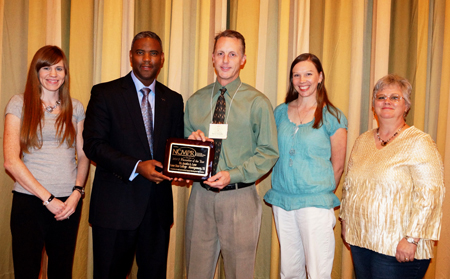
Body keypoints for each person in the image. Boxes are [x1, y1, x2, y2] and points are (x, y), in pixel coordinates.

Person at [83, 31, 184, 278]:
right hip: (115, 209)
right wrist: (137, 166)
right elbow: (93, 145)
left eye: (153, 53)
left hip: (156, 210)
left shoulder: (172, 99)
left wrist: (182, 170)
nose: (147, 59)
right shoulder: (105, 93)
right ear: (131, 56)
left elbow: (175, 148)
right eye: (140, 52)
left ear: (162, 58)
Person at [184, 30, 279, 278]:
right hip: (200, 198)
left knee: (240, 273)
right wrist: (191, 144)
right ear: (212, 58)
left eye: (233, 54)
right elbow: (184, 151)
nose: (226, 60)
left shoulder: (257, 102)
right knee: (196, 271)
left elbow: (268, 152)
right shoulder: (195, 101)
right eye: (220, 53)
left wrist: (233, 174)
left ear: (243, 59)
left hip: (240, 198)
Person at [340, 74, 445, 279]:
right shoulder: (362, 141)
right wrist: (346, 223)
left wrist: (412, 239)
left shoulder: (419, 142)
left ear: (406, 106)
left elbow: (430, 195)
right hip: (362, 240)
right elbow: (349, 186)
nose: (387, 101)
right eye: (381, 97)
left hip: (399, 246)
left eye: (395, 97)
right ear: (374, 105)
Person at [3, 45, 89, 279]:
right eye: (47, 67)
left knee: (62, 272)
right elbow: (10, 161)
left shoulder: (76, 107)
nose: (53, 74)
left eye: (59, 68)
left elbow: (83, 156)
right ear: (36, 71)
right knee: (27, 271)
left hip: (68, 204)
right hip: (30, 202)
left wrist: (76, 193)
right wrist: (48, 198)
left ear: (65, 73)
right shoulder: (19, 104)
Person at [264, 53, 348, 278]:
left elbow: (338, 166)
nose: (302, 80)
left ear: (320, 77)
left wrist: (318, 194)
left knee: (318, 272)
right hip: (282, 202)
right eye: (296, 75)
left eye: (308, 74)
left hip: (315, 204)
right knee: (289, 271)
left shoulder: (333, 116)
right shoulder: (280, 112)